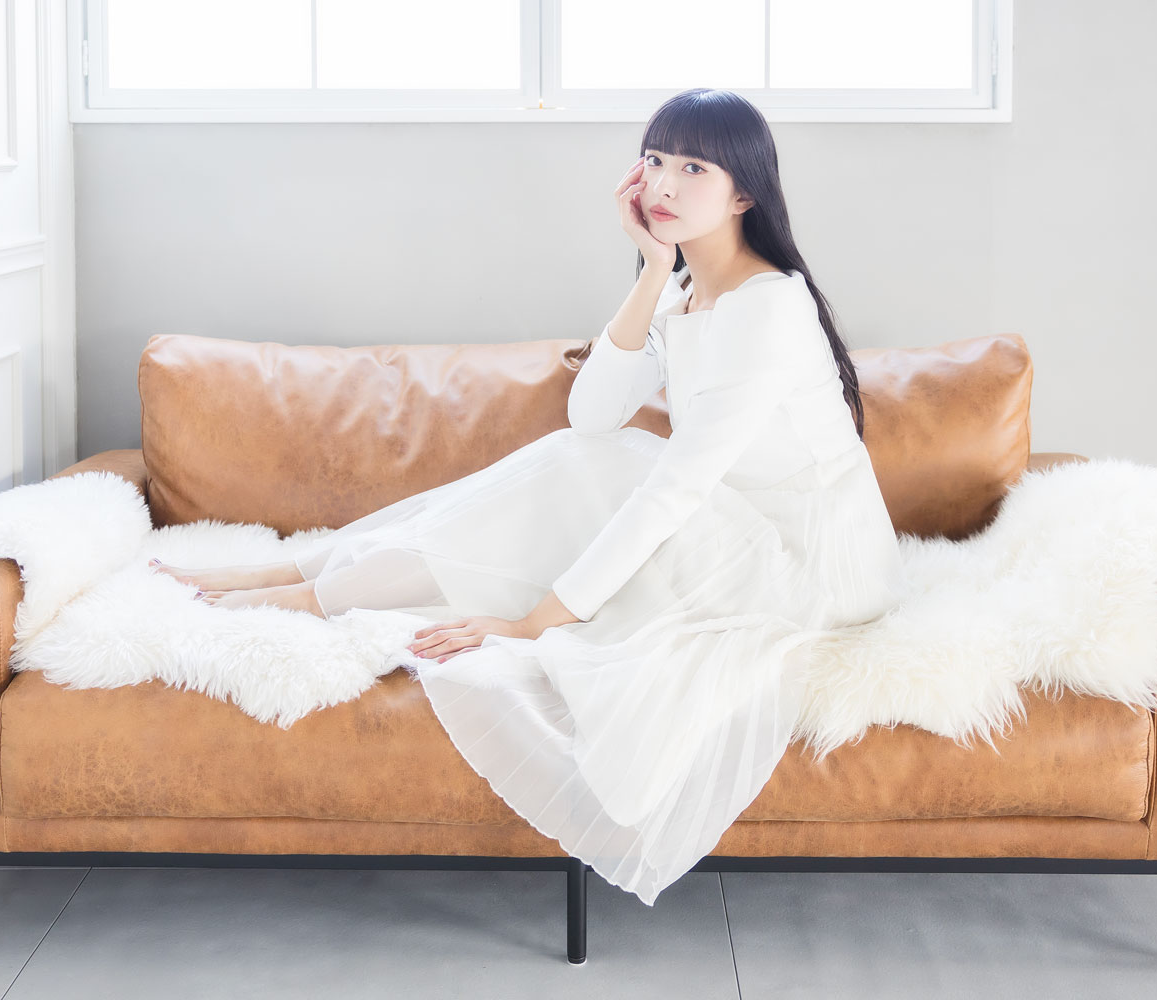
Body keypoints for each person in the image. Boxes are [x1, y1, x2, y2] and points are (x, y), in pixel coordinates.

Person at [148, 88, 908, 906]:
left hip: (814, 571)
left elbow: (678, 485)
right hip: (743, 532)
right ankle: (298, 577)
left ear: (744, 194)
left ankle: (310, 591)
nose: (663, 184)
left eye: (694, 168)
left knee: (609, 470)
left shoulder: (768, 307)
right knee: (591, 457)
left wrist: (537, 621)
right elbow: (593, 414)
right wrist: (654, 270)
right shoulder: (688, 287)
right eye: (655, 160)